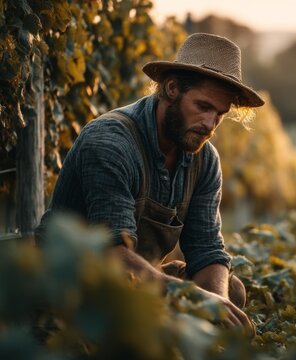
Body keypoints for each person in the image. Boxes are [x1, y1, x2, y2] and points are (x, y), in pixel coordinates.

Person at [36, 33, 265, 335]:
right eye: (203, 107)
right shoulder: (111, 141)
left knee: (230, 293)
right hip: (76, 284)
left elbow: (206, 250)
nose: (210, 125)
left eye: (219, 115)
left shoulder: (204, 160)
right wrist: (195, 299)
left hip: (136, 282)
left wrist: (215, 309)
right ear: (171, 89)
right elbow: (112, 255)